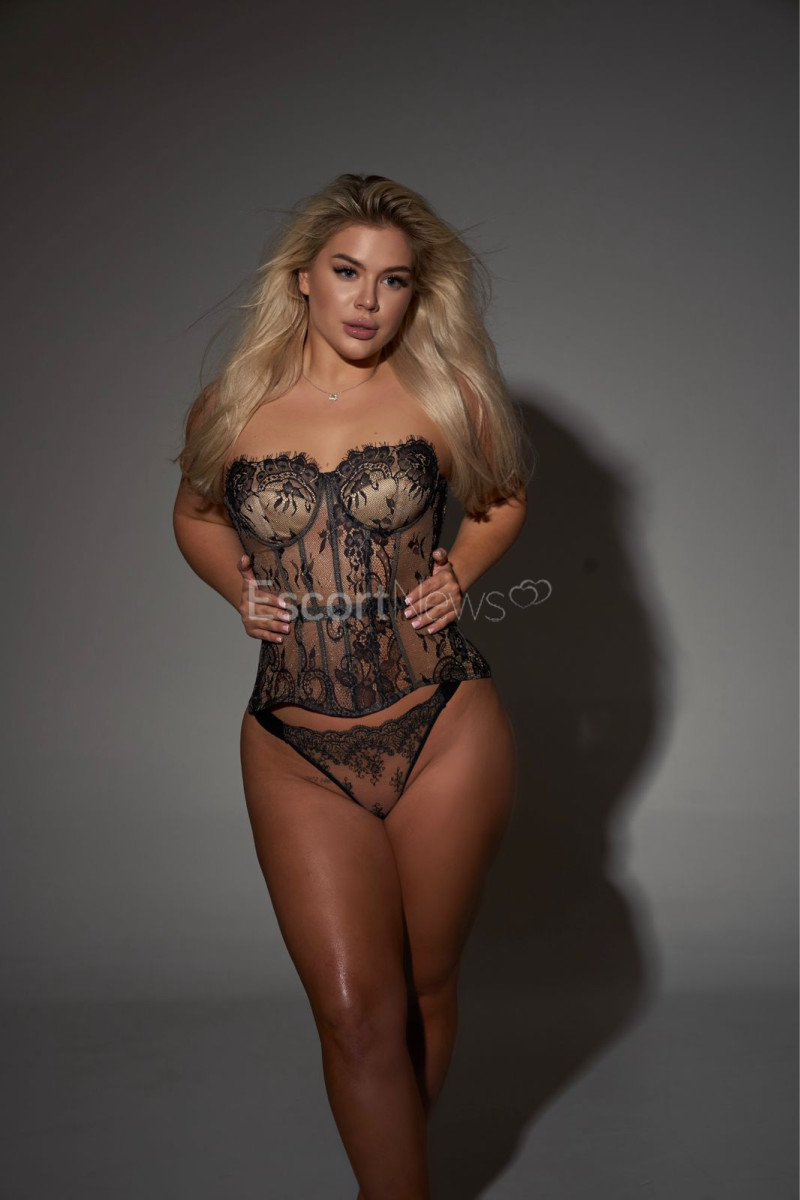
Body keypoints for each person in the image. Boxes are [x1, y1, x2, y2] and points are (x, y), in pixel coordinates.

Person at [172, 173, 533, 1198]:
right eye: (346, 272)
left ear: (418, 293)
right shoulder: (232, 405)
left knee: (422, 990)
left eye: (393, 280)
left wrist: (460, 574)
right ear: (302, 279)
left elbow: (502, 499)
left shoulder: (444, 396)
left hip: (442, 726)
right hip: (293, 745)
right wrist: (237, 588)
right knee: (352, 1015)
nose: (368, 300)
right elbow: (195, 516)